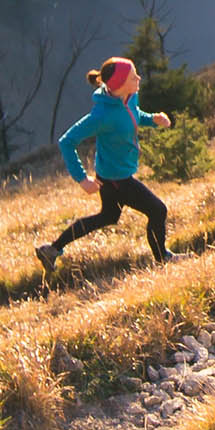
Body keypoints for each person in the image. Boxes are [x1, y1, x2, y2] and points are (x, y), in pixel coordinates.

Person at [41, 56, 174, 273]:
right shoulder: (101, 115)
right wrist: (82, 180)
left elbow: (134, 115)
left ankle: (52, 249)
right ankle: (163, 259)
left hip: (111, 174)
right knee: (158, 210)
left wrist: (153, 119)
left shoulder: (129, 96)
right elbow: (67, 142)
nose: (138, 78)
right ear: (120, 85)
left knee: (108, 216)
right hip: (117, 179)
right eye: (133, 76)